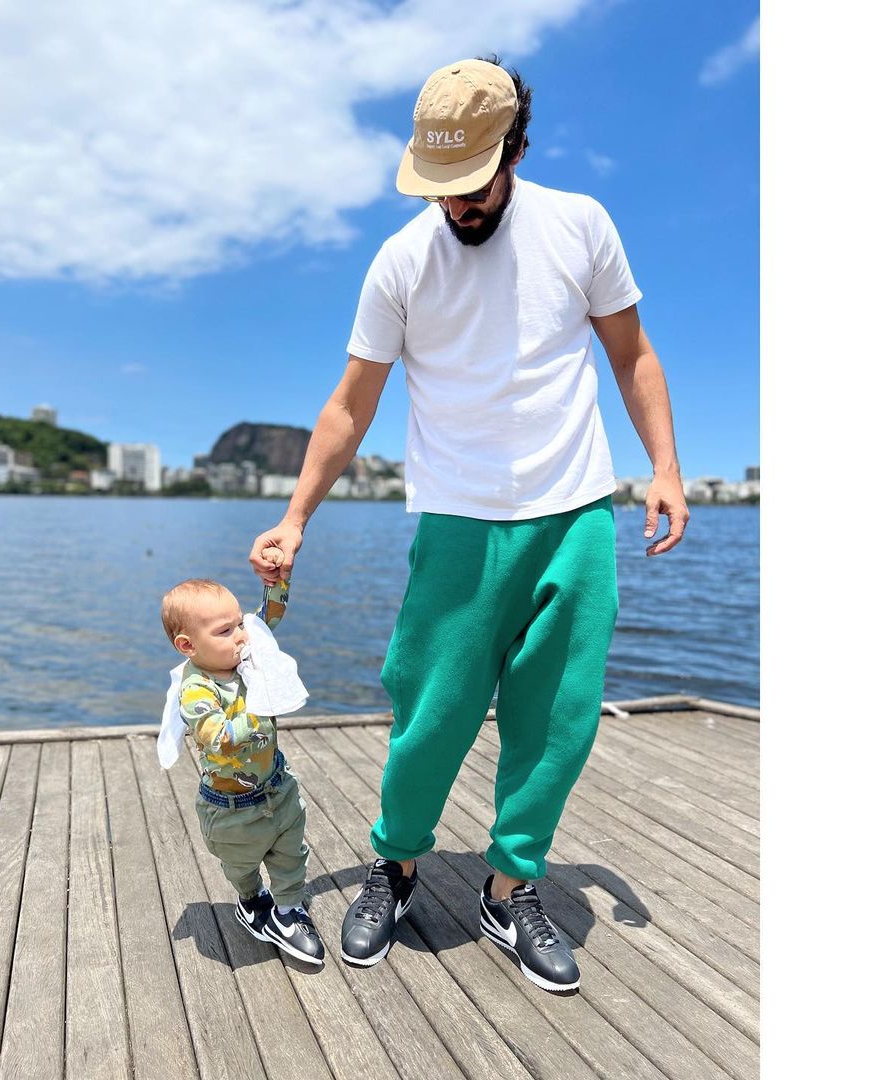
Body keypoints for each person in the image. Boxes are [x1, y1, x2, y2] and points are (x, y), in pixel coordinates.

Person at [248, 57, 688, 991]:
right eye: (440, 186)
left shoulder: (581, 225)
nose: (456, 204)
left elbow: (632, 355)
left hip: (574, 509)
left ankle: (510, 886)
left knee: (556, 720)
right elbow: (349, 406)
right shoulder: (402, 260)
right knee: (431, 711)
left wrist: (665, 470)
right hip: (456, 517)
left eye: (473, 184)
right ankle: (396, 866)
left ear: (515, 150)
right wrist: (295, 518)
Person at [158, 556, 325, 965]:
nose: (241, 637)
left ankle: (289, 911)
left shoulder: (245, 656)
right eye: (225, 631)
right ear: (188, 645)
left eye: (238, 625)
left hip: (277, 787)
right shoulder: (197, 690)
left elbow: (266, 619)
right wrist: (262, 706)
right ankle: (251, 900)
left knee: (291, 855)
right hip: (231, 809)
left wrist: (277, 583)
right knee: (241, 864)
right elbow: (217, 739)